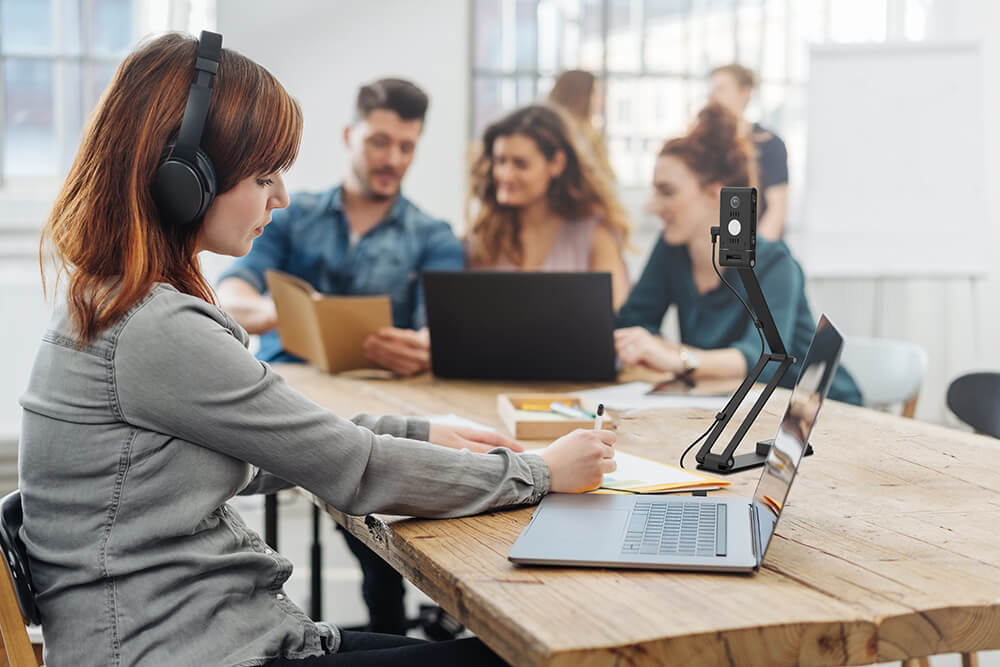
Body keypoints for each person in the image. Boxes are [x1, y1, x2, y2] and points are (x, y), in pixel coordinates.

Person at [21, 32, 616, 667]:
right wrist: (541, 472)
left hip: (207, 635)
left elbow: (276, 448)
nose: (279, 197)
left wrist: (419, 431)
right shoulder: (153, 327)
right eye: (263, 176)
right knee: (532, 656)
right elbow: (358, 471)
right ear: (182, 180)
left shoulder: (112, 300)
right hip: (186, 651)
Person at [614, 103, 862, 405]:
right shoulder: (672, 250)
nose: (652, 206)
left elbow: (765, 359)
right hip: (734, 405)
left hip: (818, 411)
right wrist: (649, 347)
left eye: (667, 192)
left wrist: (678, 358)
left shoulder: (774, 262)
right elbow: (633, 324)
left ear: (714, 192)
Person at [217, 77, 459, 378]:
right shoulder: (288, 215)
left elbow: (439, 332)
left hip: (380, 387)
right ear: (349, 136)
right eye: (379, 142)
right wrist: (291, 312)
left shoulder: (436, 238)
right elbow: (229, 298)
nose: (393, 160)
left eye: (406, 147)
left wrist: (426, 350)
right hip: (285, 380)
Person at [465, 104, 631, 310]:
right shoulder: (482, 237)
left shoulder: (595, 235)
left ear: (556, 164)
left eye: (520, 164)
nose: (505, 175)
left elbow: (616, 313)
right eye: (500, 161)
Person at [709, 63, 789, 241]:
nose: (713, 96)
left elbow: (776, 209)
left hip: (757, 245)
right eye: (712, 90)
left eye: (721, 89)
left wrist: (755, 251)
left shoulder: (769, 144)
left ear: (745, 92)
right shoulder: (705, 144)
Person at [547, 69, 616, 183]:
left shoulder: (591, 131)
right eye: (596, 93)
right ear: (580, 95)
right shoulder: (575, 135)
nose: (601, 100)